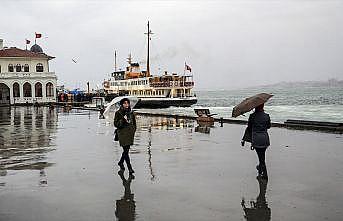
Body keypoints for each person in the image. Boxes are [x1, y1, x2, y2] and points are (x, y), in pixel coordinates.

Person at [246, 103, 271, 179]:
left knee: (261, 158)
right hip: (265, 139)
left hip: (256, 139)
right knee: (262, 156)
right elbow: (269, 126)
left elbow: (249, 128)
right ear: (263, 106)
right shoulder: (267, 116)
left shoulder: (252, 116)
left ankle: (265, 174)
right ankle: (260, 169)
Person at [114, 98, 137, 174]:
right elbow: (116, 124)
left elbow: (134, 123)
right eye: (125, 103)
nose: (126, 105)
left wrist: (134, 130)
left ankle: (120, 162)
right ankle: (130, 168)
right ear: (122, 104)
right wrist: (123, 120)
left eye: (127, 103)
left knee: (126, 151)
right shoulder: (118, 113)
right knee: (126, 151)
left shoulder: (131, 112)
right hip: (122, 134)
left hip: (130, 133)